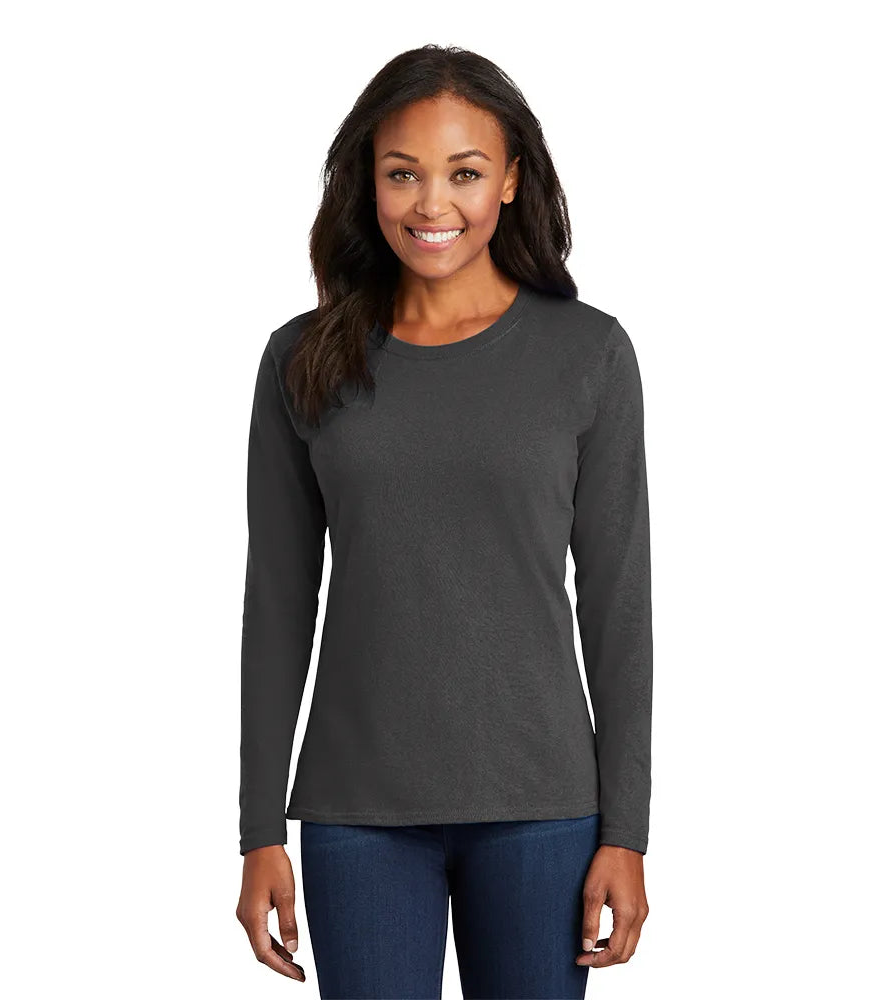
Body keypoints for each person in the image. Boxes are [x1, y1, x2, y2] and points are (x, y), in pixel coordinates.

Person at [234, 43, 653, 1000]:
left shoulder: (587, 354)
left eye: (464, 172)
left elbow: (620, 608)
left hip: (543, 808)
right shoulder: (302, 360)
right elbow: (278, 605)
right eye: (402, 173)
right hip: (357, 813)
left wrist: (626, 831)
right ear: (366, 181)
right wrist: (259, 829)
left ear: (510, 179)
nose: (431, 204)